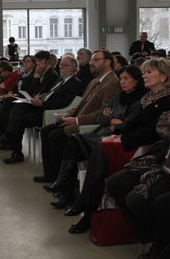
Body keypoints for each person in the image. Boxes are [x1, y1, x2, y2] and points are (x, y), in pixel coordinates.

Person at [45, 65, 146, 214]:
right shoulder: (119, 97)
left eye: (126, 78)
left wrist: (110, 119)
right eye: (121, 79)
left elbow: (126, 125)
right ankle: (66, 190)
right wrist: (112, 120)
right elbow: (101, 117)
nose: (122, 82)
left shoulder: (139, 100)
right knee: (72, 142)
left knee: (73, 143)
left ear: (137, 81)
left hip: (114, 140)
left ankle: (66, 191)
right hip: (102, 133)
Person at [106, 58, 170, 246]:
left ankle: (157, 242)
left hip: (153, 153)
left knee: (137, 199)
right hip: (152, 152)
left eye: (149, 72)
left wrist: (121, 134)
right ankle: (147, 235)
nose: (144, 76)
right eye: (144, 72)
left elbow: (153, 132)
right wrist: (119, 129)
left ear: (164, 76)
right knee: (114, 183)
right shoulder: (146, 98)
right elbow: (125, 121)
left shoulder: (165, 101)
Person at [34, 49, 120, 186]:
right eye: (91, 60)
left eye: (95, 60)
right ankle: (51, 175)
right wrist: (68, 114)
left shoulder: (112, 83)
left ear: (108, 62)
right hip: (77, 119)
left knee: (56, 136)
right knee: (45, 131)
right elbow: (81, 104)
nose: (91, 63)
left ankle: (64, 181)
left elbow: (103, 112)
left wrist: (76, 120)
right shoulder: (94, 82)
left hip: (88, 125)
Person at [0, 55, 84, 164]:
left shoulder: (76, 83)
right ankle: (10, 139)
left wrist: (43, 103)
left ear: (72, 67)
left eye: (63, 66)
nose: (60, 67)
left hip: (48, 110)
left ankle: (10, 140)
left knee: (18, 117)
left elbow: (64, 103)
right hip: (40, 105)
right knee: (13, 105)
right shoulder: (60, 80)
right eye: (60, 65)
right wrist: (42, 95)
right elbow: (45, 91)